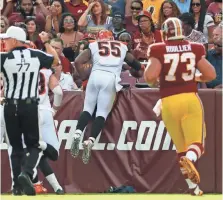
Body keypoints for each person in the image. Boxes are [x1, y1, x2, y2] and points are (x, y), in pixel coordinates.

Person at [144, 17, 216, 196]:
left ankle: (194, 189)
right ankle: (190, 159)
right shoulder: (195, 47)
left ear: (164, 32)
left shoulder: (158, 49)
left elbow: (150, 77)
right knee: (197, 145)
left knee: (181, 148)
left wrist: (158, 79)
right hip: (189, 98)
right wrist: (196, 78)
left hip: (168, 102)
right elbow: (210, 74)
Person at [0, 26, 59, 195]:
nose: (4, 42)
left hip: (10, 105)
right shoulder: (36, 55)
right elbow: (55, 60)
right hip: (30, 105)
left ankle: (17, 187)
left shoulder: (4, 57)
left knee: (15, 147)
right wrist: (47, 43)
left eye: (6, 39)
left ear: (14, 40)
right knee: (34, 145)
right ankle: (26, 173)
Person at [70, 30, 144, 164]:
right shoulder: (121, 46)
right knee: (102, 113)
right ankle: (90, 141)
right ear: (112, 38)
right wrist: (137, 69)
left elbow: (77, 61)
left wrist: (83, 76)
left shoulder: (94, 45)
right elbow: (135, 64)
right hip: (110, 78)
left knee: (87, 109)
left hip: (95, 75)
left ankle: (77, 134)